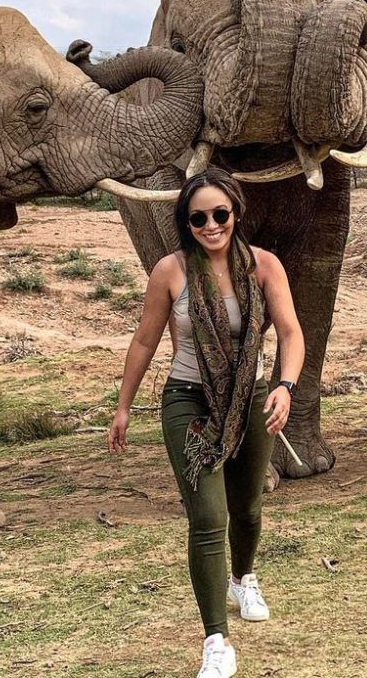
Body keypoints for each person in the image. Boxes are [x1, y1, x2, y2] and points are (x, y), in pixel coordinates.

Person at [108, 167, 305, 678]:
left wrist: (284, 386)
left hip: (251, 398)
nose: (211, 225)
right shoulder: (170, 271)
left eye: (220, 214)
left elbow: (290, 332)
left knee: (248, 507)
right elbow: (145, 341)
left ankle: (243, 578)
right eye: (199, 218)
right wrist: (124, 406)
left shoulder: (264, 266)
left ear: (235, 213)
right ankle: (217, 640)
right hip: (188, 401)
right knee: (208, 518)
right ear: (186, 222)